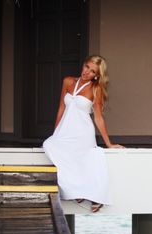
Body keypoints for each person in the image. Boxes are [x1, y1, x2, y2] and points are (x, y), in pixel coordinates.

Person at [43, 55, 123, 213]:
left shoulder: (96, 89)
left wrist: (108, 143)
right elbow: (61, 108)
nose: (87, 72)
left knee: (82, 156)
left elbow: (98, 117)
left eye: (92, 71)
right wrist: (55, 132)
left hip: (83, 133)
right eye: (87, 67)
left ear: (97, 75)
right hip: (65, 131)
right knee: (49, 145)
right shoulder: (68, 81)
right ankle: (75, 190)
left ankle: (87, 193)